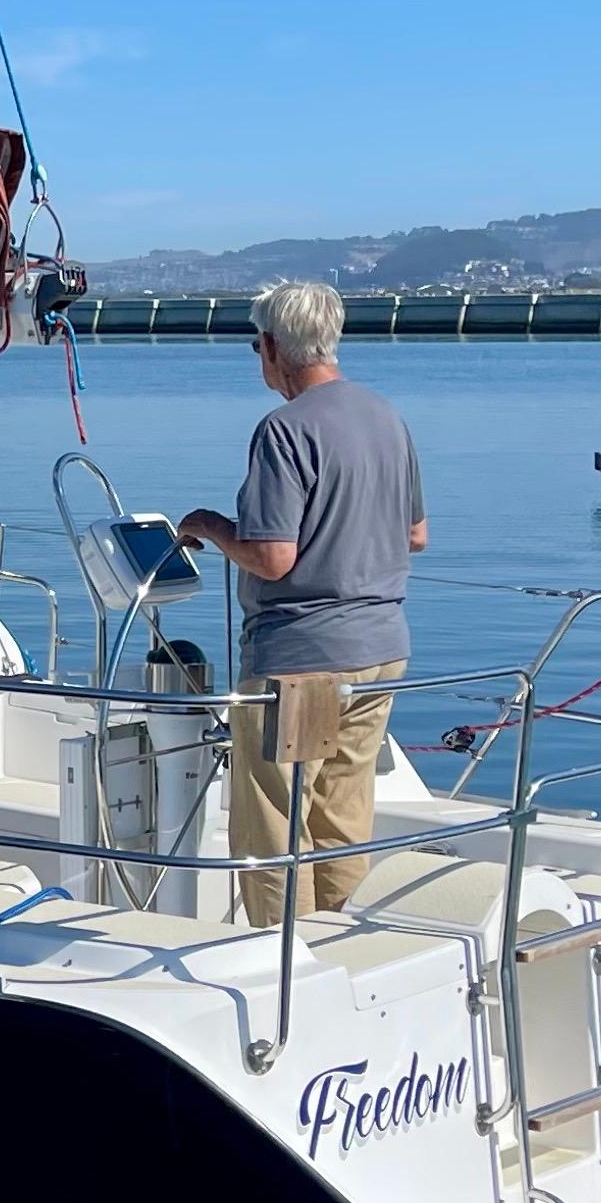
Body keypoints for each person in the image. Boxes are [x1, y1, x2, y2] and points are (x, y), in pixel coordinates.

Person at [175, 281, 428, 924]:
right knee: (343, 811)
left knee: (274, 820)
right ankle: (342, 937)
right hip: (381, 649)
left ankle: (284, 954)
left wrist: (207, 523)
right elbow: (415, 535)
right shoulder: (385, 418)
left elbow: (272, 556)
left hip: (302, 658)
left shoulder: (284, 430)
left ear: (271, 348)